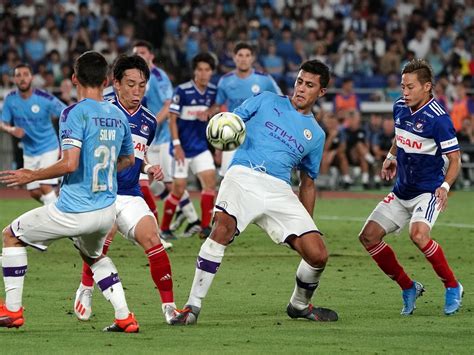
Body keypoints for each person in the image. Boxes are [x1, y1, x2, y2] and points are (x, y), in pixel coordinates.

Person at [170, 59, 338, 325]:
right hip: (242, 176)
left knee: (318, 254)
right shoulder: (267, 100)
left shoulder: (315, 135)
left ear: (321, 92)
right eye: (299, 82)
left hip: (279, 189)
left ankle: (299, 305)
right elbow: (232, 120)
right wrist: (220, 125)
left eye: (309, 85)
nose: (301, 89)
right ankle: (192, 306)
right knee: (222, 229)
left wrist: (307, 223)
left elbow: (308, 182)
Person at [0, 51, 139, 332]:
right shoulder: (118, 114)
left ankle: (13, 310)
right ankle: (124, 317)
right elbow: (129, 160)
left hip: (75, 209)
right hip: (105, 211)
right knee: (94, 256)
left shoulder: (74, 113)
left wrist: (32, 174)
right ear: (106, 81)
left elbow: (69, 163)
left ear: (74, 78)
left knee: (11, 236)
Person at [73, 54, 177, 325]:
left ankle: (170, 308)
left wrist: (148, 169)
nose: (137, 91)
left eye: (142, 85)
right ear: (115, 83)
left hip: (130, 194)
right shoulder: (97, 110)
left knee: (154, 241)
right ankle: (85, 288)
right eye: (130, 84)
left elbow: (135, 157)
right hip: (100, 192)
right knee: (102, 241)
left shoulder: (149, 121)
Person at [358, 59, 463, 316]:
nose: (404, 92)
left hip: (427, 191)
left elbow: (455, 159)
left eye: (410, 87)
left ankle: (452, 285)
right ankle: (408, 287)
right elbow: (400, 135)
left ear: (427, 87)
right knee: (368, 237)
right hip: (401, 190)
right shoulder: (399, 108)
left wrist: (445, 187)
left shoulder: (438, 120)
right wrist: (391, 157)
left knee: (418, 235)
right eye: (403, 86)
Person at [133, 40, 200, 238]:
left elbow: (169, 104)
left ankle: (194, 219)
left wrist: (151, 123)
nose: (139, 56)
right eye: (136, 53)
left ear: (151, 56)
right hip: (149, 138)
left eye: (142, 53)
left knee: (169, 182)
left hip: (162, 138)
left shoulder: (158, 76)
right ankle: (180, 210)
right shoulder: (140, 77)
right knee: (150, 181)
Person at [159, 53, 218, 240]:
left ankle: (205, 227)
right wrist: (176, 145)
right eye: (200, 69)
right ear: (194, 71)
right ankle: (165, 229)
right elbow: (172, 119)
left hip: (201, 148)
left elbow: (217, 107)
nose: (203, 73)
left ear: (211, 72)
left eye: (207, 70)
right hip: (182, 149)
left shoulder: (212, 92)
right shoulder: (182, 91)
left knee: (210, 185)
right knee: (178, 189)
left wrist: (211, 111)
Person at [212, 42, 282, 177]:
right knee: (228, 177)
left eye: (247, 55)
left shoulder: (264, 80)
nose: (244, 59)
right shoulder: (225, 81)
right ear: (234, 57)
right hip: (232, 134)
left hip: (259, 135)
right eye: (240, 55)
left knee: (258, 178)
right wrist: (218, 146)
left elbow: (280, 102)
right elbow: (218, 109)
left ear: (252, 58)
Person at [0, 63, 67, 204]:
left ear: (31, 78)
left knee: (44, 186)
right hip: (29, 151)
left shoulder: (45, 98)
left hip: (48, 147)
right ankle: (60, 203)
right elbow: (3, 122)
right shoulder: (10, 99)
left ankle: (57, 219)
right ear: (14, 79)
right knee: (34, 192)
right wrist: (11, 129)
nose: (22, 78)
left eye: (25, 74)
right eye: (18, 75)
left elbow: (66, 112)